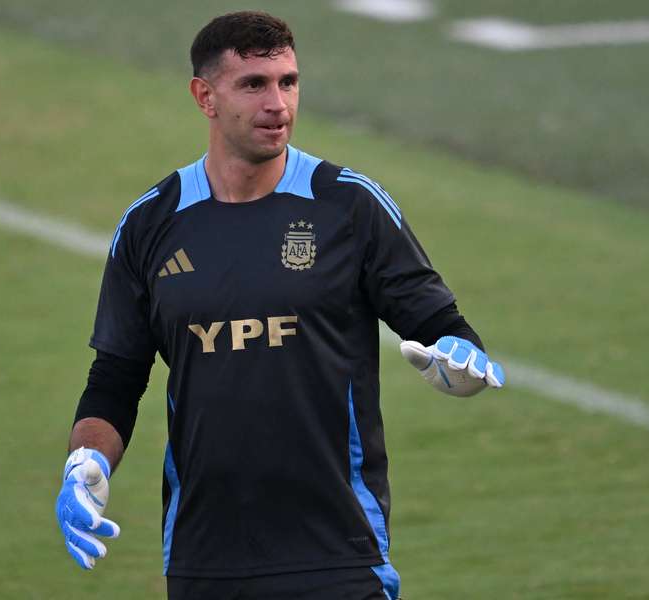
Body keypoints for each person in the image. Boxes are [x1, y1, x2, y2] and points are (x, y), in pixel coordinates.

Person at [55, 11, 504, 600]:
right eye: (254, 85)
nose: (278, 104)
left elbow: (443, 328)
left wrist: (462, 365)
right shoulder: (150, 226)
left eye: (288, 82)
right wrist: (86, 462)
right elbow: (115, 376)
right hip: (204, 555)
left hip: (337, 550)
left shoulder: (349, 207)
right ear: (205, 96)